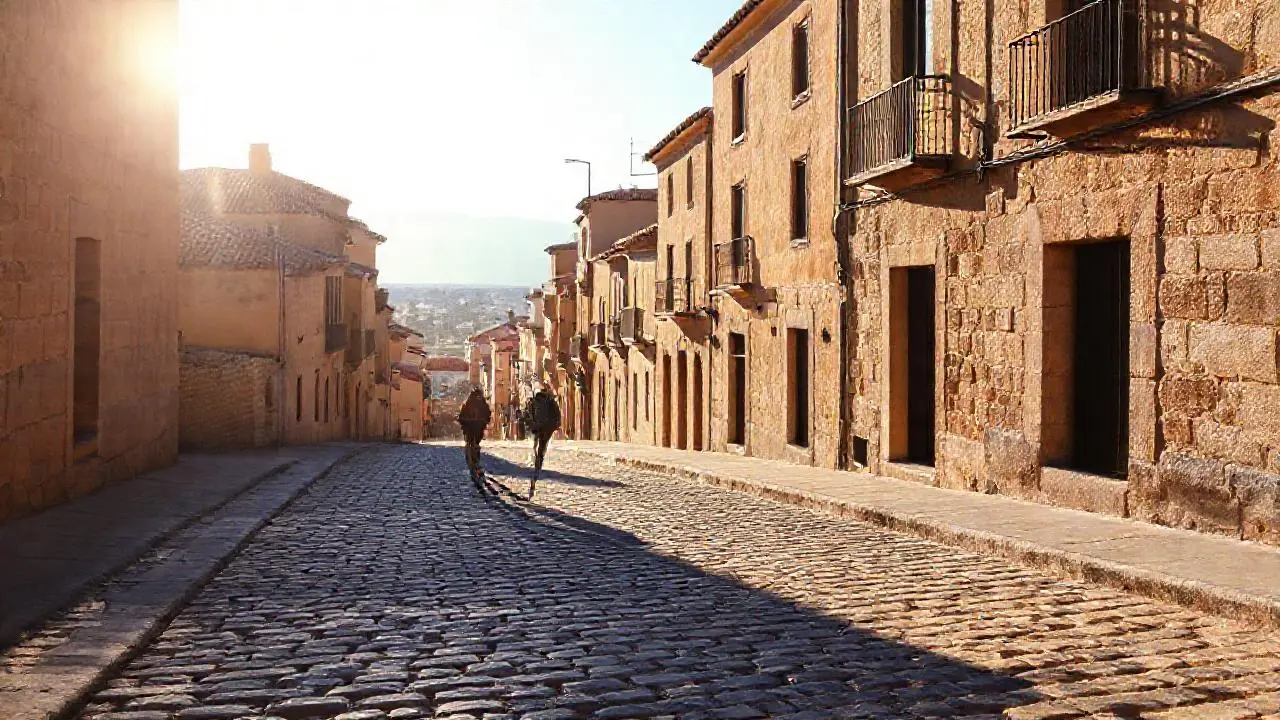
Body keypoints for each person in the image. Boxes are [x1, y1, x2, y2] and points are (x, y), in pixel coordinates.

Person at [522, 386, 562, 499]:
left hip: (539, 427)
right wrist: (556, 425)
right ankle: (539, 458)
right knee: (543, 444)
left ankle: (536, 458)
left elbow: (529, 415)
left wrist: (531, 424)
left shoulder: (534, 402)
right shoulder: (550, 402)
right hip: (547, 427)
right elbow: (557, 415)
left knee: (537, 443)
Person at [456, 388, 491, 493]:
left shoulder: (469, 402)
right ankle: (475, 462)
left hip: (473, 428)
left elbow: (462, 416)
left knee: (473, 444)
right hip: (475, 428)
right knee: (474, 444)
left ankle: (474, 462)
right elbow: (487, 414)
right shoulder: (480, 403)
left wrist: (463, 421)